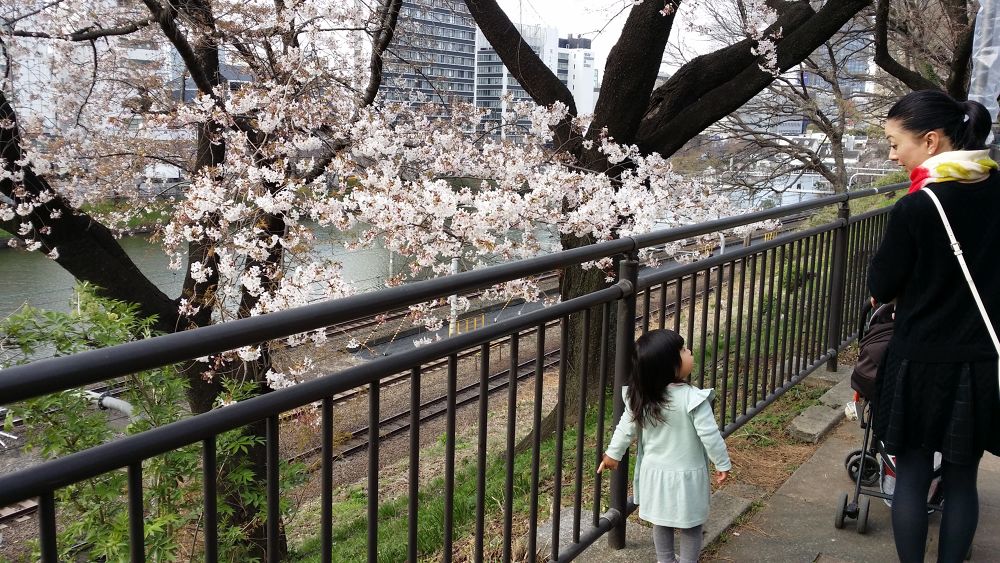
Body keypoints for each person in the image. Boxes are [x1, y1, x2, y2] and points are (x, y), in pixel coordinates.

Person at [869, 89, 1000, 563]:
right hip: (981, 357)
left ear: (929, 141)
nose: (891, 153)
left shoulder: (918, 206)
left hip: (920, 360)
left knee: (913, 474)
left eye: (894, 142)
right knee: (964, 478)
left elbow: (882, 284)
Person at [597, 329, 731, 563]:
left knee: (662, 522)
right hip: (687, 479)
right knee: (691, 526)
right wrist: (722, 462)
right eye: (683, 350)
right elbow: (710, 436)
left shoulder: (643, 399)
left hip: (655, 477)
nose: (689, 352)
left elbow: (624, 429)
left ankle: (665, 560)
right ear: (669, 365)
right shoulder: (693, 399)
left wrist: (612, 455)